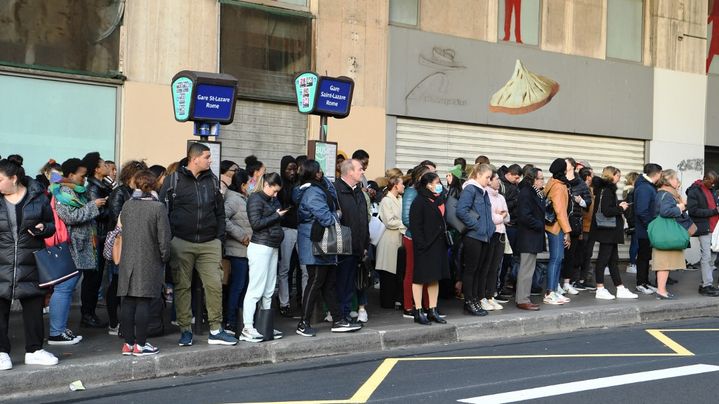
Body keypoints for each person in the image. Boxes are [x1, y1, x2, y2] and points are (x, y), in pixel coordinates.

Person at [160, 143, 236, 346]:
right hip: (181, 242)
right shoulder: (173, 180)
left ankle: (216, 329)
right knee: (182, 287)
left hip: (210, 243)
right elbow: (162, 213)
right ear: (194, 159)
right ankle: (185, 330)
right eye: (207, 156)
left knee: (214, 286)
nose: (211, 160)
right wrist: (169, 240)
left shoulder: (212, 181)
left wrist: (219, 239)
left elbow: (219, 212)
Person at [0, 159, 59, 369]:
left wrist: (44, 228)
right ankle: (1, 353)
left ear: (13, 178)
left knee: (34, 305)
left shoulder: (37, 197)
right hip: (2, 261)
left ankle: (34, 350)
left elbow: (52, 225)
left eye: (0, 179)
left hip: (31, 260)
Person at [294, 160, 360, 336]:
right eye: (319, 171)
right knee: (315, 282)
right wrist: (338, 214)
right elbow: (326, 218)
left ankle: (338, 320)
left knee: (328, 283)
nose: (322, 173)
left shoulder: (318, 188)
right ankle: (303, 323)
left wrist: (327, 183)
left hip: (321, 243)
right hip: (314, 243)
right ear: (315, 173)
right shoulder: (312, 193)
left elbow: (332, 196)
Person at [49, 158, 104, 344]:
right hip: (69, 247)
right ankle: (56, 332)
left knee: (67, 288)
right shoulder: (63, 192)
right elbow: (70, 217)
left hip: (77, 247)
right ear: (71, 175)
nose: (85, 179)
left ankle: (61, 329)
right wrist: (93, 206)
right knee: (64, 289)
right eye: (82, 175)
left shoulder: (75, 191)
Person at [117, 170, 171, 356]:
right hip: (149, 259)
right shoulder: (158, 208)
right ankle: (140, 345)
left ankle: (128, 344)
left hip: (127, 259)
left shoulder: (127, 205)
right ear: (154, 185)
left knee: (128, 302)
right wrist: (165, 257)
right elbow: (164, 239)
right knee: (143, 303)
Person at [241, 173, 285, 342]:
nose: (275, 195)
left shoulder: (272, 200)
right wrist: (277, 215)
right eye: (274, 191)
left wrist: (277, 213)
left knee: (268, 289)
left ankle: (264, 326)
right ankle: (247, 327)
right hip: (260, 246)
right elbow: (256, 224)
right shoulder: (255, 199)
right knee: (256, 289)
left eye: (277, 192)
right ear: (266, 184)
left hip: (272, 246)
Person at [106, 160, 148, 335]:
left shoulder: (142, 193)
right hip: (122, 243)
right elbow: (117, 218)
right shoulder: (120, 193)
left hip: (139, 244)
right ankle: (115, 322)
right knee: (117, 284)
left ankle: (126, 323)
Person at [591, 167, 638, 300]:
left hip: (608, 231)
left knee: (613, 261)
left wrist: (618, 203)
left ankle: (620, 288)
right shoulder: (607, 191)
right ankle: (600, 289)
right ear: (612, 176)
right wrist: (620, 207)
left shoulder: (604, 190)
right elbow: (606, 211)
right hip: (608, 231)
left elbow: (607, 206)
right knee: (603, 260)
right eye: (618, 175)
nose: (619, 178)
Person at [408, 172, 449, 325]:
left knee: (434, 277)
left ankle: (432, 309)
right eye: (437, 182)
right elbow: (415, 226)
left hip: (438, 245)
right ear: (428, 184)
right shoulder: (419, 201)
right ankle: (418, 311)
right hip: (425, 246)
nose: (440, 185)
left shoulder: (438, 199)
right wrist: (422, 244)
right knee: (420, 278)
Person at [334, 159, 370, 324]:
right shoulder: (336, 190)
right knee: (342, 282)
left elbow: (363, 220)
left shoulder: (359, 192)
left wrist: (364, 245)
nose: (362, 172)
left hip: (358, 245)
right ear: (349, 172)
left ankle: (346, 314)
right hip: (342, 245)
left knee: (350, 283)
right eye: (360, 169)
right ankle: (341, 315)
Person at [456, 164, 495, 316]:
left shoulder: (483, 191)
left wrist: (489, 228)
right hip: (473, 237)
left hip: (484, 237)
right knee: (471, 270)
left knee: (479, 270)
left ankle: (476, 301)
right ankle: (469, 302)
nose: (489, 180)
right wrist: (476, 226)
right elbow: (461, 210)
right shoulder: (470, 189)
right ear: (478, 175)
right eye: (487, 177)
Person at [80, 152, 113, 329]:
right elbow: (97, 213)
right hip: (97, 237)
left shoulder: (103, 185)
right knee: (93, 278)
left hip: (101, 236)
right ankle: (87, 314)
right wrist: (113, 209)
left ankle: (89, 314)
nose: (107, 166)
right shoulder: (94, 188)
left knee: (96, 278)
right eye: (103, 164)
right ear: (97, 170)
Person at [653, 170, 692, 299]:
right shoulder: (666, 194)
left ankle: (661, 290)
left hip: (664, 233)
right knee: (664, 264)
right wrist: (680, 207)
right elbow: (665, 211)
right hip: (666, 233)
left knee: (665, 263)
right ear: (669, 180)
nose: (678, 182)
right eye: (676, 179)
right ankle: (661, 291)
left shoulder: (663, 193)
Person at [224, 169, 252, 335]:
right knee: (237, 287)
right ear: (242, 185)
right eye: (250, 183)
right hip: (237, 251)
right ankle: (230, 322)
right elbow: (223, 219)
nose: (252, 186)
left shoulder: (244, 198)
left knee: (244, 287)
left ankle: (240, 321)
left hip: (246, 251)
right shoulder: (234, 200)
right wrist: (241, 235)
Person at [401, 165, 431, 318]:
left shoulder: (425, 193)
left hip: (425, 239)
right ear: (420, 177)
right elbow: (406, 219)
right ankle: (408, 306)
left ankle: (426, 306)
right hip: (413, 238)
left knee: (425, 273)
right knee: (412, 272)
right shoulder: (411, 192)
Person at [277, 155, 304, 317]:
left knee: (305, 268)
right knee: (285, 268)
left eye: (295, 169)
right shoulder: (279, 185)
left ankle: (303, 300)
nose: (293, 172)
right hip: (286, 229)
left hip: (300, 228)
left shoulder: (299, 184)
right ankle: (283, 302)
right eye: (289, 169)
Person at [515, 168, 545, 311]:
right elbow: (524, 215)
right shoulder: (527, 192)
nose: (542, 181)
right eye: (540, 178)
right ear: (533, 179)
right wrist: (539, 224)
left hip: (532, 236)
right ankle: (522, 299)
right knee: (526, 269)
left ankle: (524, 297)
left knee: (528, 268)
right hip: (528, 236)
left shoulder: (536, 193)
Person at [543, 158, 572, 305]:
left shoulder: (551, 182)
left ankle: (553, 290)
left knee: (557, 258)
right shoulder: (559, 186)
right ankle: (550, 292)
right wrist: (567, 231)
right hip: (556, 227)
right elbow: (560, 211)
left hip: (551, 225)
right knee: (556, 258)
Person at [686, 171, 719, 296]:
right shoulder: (694, 191)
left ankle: (705, 283)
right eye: (711, 183)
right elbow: (693, 211)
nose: (713, 185)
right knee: (706, 256)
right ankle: (706, 286)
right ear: (705, 179)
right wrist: (714, 211)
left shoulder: (711, 190)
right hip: (704, 227)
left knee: (713, 257)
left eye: (714, 183)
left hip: (714, 228)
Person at [375, 174, 406, 309]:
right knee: (388, 273)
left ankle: (395, 300)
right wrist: (405, 223)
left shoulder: (400, 199)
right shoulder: (386, 200)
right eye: (402, 184)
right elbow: (389, 221)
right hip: (388, 239)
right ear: (395, 186)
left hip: (398, 238)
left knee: (396, 272)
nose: (404, 186)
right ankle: (387, 302)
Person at [561, 158, 592, 295]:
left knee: (571, 254)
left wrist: (581, 201)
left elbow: (588, 202)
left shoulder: (580, 183)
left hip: (574, 222)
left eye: (566, 163)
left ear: (572, 167)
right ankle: (555, 284)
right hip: (559, 222)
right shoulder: (559, 179)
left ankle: (567, 282)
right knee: (558, 256)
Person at [482, 170, 509, 310]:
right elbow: (492, 218)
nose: (499, 181)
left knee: (495, 267)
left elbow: (507, 217)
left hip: (501, 234)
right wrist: (501, 215)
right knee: (486, 266)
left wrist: (501, 215)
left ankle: (490, 295)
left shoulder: (501, 197)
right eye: (496, 179)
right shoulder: (486, 195)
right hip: (491, 234)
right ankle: (482, 296)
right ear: (489, 180)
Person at [634, 163, 663, 295]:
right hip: (645, 229)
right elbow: (642, 211)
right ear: (657, 174)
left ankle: (645, 282)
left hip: (647, 228)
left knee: (646, 256)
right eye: (660, 174)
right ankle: (640, 283)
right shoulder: (645, 188)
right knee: (643, 257)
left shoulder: (647, 186)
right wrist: (651, 227)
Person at [498, 163, 522, 298]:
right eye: (516, 177)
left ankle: (503, 285)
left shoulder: (513, 186)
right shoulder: (502, 185)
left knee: (510, 258)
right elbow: (503, 206)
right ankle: (500, 286)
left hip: (513, 224)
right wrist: (515, 201)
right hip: (507, 225)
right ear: (510, 174)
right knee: (505, 258)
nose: (517, 180)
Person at [576, 167, 597, 290]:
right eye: (592, 175)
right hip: (583, 228)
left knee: (587, 255)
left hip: (590, 228)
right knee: (580, 255)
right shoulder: (582, 189)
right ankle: (577, 280)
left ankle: (583, 279)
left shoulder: (590, 189)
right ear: (588, 177)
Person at [623, 171, 640, 274]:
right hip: (634, 221)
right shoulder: (633, 191)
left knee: (635, 243)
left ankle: (632, 263)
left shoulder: (627, 191)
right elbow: (633, 208)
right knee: (636, 243)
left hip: (631, 220)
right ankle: (632, 264)